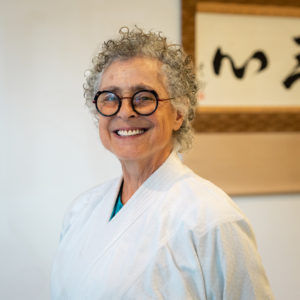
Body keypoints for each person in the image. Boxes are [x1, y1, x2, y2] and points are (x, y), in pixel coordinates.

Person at [51, 27, 274, 299]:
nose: (125, 112)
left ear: (179, 113)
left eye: (144, 97)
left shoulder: (211, 218)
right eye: (110, 98)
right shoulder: (81, 212)